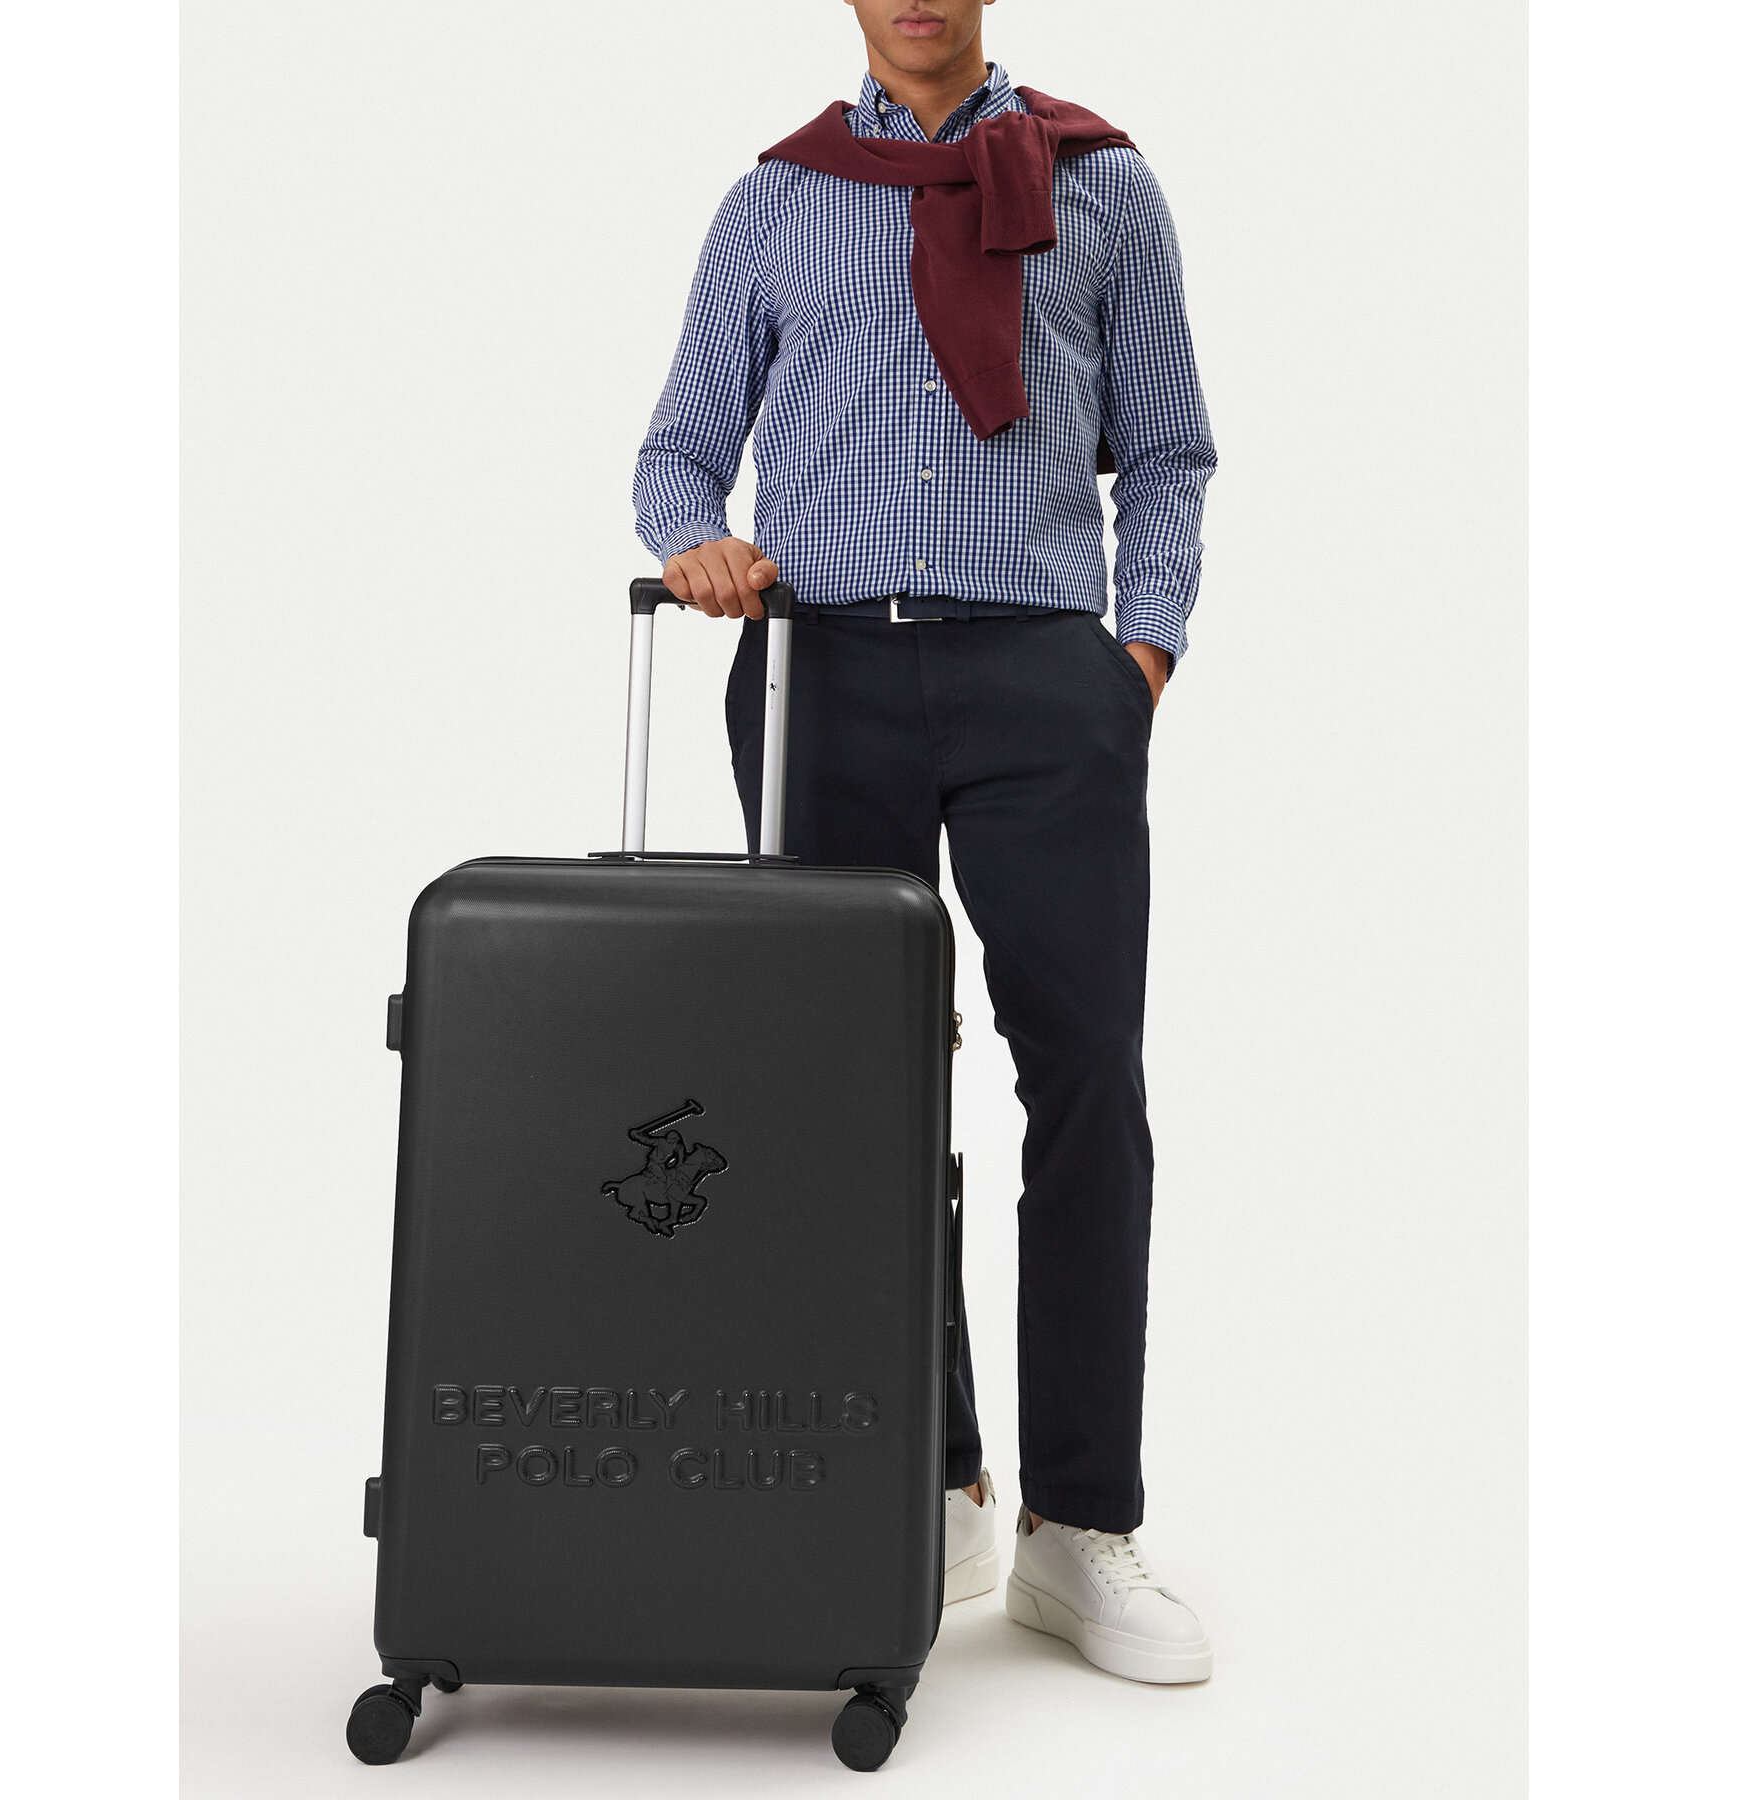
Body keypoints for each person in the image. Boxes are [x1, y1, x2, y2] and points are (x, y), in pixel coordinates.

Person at [632, 0, 1215, 1684]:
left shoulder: (1103, 184)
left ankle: (1080, 1525)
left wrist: (1136, 662)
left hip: (1044, 677)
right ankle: (942, 1476)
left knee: (1086, 1080)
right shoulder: (776, 197)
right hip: (822, 675)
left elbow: (1168, 450)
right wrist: (698, 544)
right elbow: (678, 450)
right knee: (858, 1092)